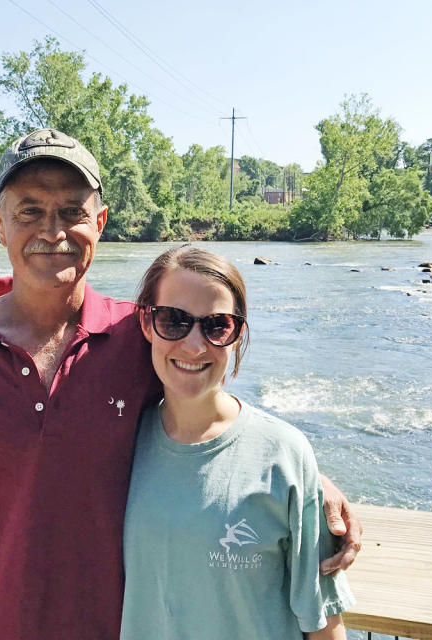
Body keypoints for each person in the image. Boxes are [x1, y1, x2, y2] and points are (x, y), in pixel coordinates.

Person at [0, 128, 362, 639]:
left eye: (72, 211)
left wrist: (308, 484)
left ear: (99, 223)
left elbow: (204, 407)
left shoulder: (139, 337)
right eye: (29, 210)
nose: (52, 231)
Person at [120, 246, 354, 639]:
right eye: (174, 321)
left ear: (237, 333)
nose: (194, 346)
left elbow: (323, 625)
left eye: (216, 325)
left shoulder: (285, 453)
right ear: (147, 322)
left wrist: (313, 477)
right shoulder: (118, 442)